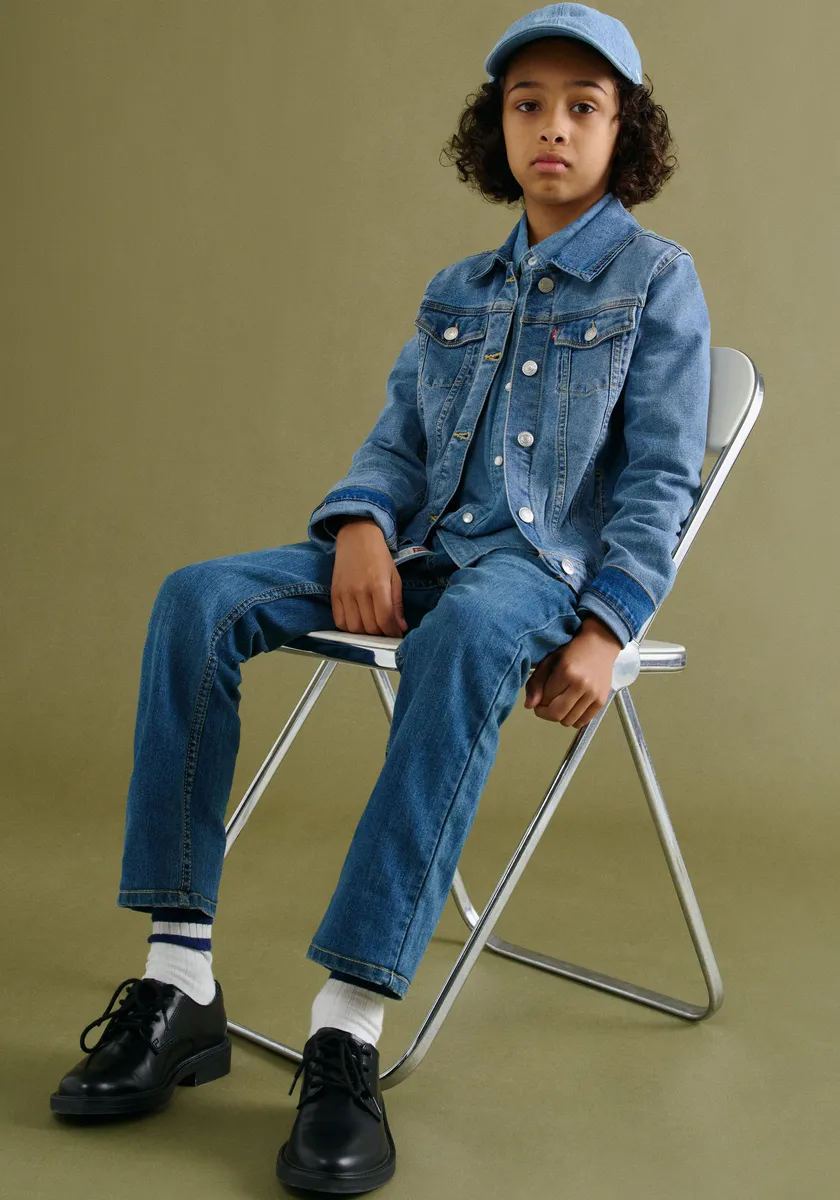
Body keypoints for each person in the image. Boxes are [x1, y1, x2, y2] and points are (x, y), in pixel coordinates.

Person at [50, 4, 711, 1194]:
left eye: (584, 107)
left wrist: (609, 626)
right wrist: (360, 525)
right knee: (196, 600)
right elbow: (399, 442)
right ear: (495, 126)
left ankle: (346, 1029)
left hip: (541, 580)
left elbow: (664, 480)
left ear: (627, 131)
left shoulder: (657, 281)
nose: (553, 127)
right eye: (527, 104)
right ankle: (179, 979)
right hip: (421, 553)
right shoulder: (458, 288)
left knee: (464, 636)